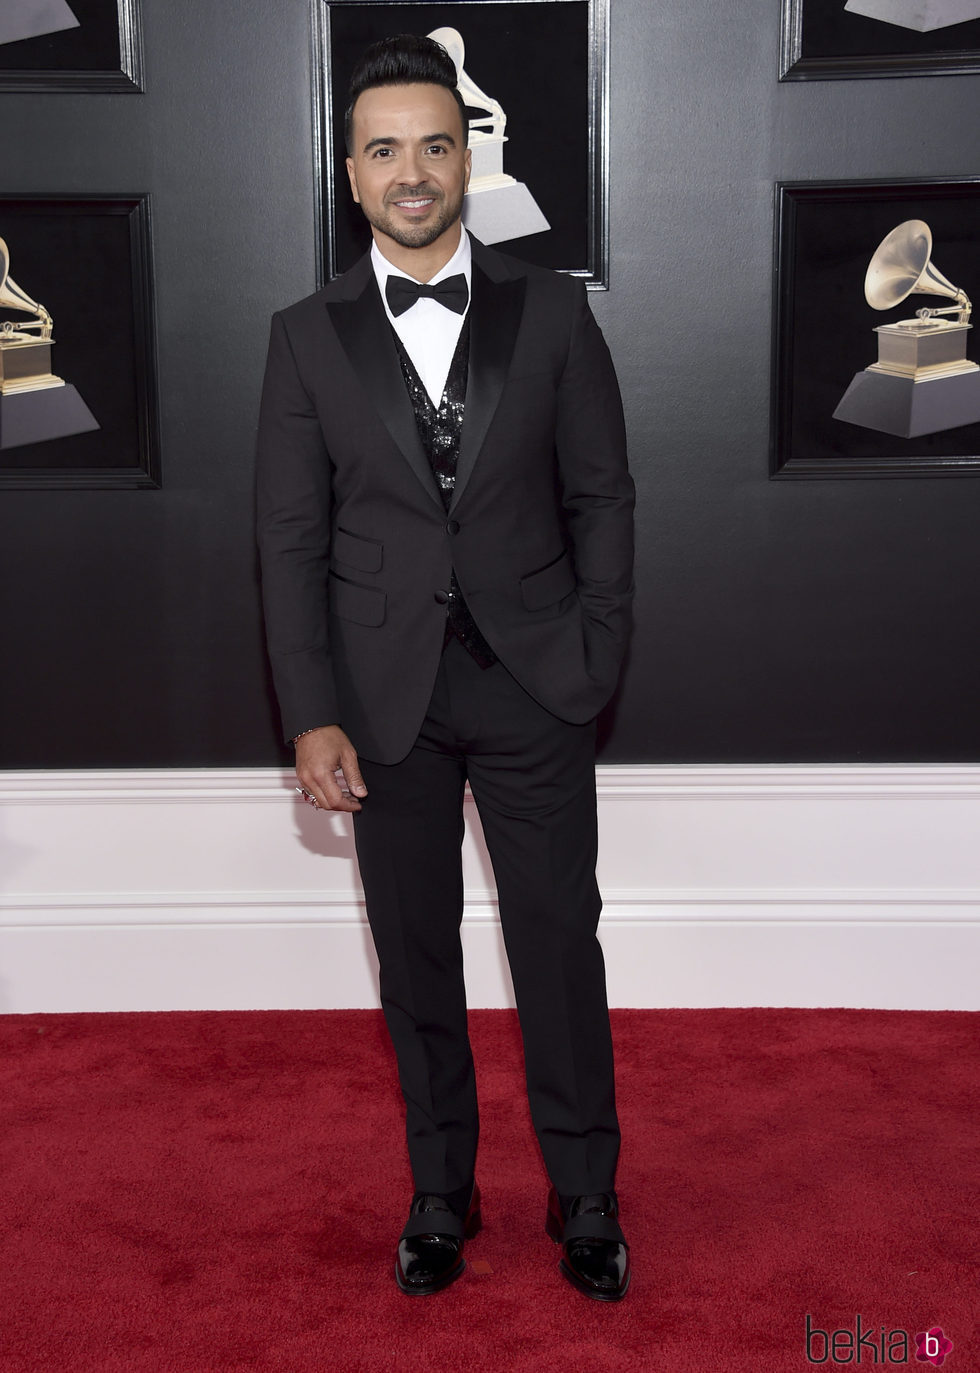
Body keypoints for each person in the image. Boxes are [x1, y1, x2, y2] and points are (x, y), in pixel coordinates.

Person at [255, 34, 634, 1301]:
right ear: (349, 175)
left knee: (555, 943)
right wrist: (310, 713)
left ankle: (585, 1195)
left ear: (465, 156)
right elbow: (289, 537)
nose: (409, 172)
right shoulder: (303, 336)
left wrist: (592, 650)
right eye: (382, 150)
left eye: (432, 144)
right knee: (413, 954)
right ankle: (440, 1190)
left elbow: (603, 496)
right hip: (380, 701)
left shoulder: (555, 310)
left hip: (535, 681)